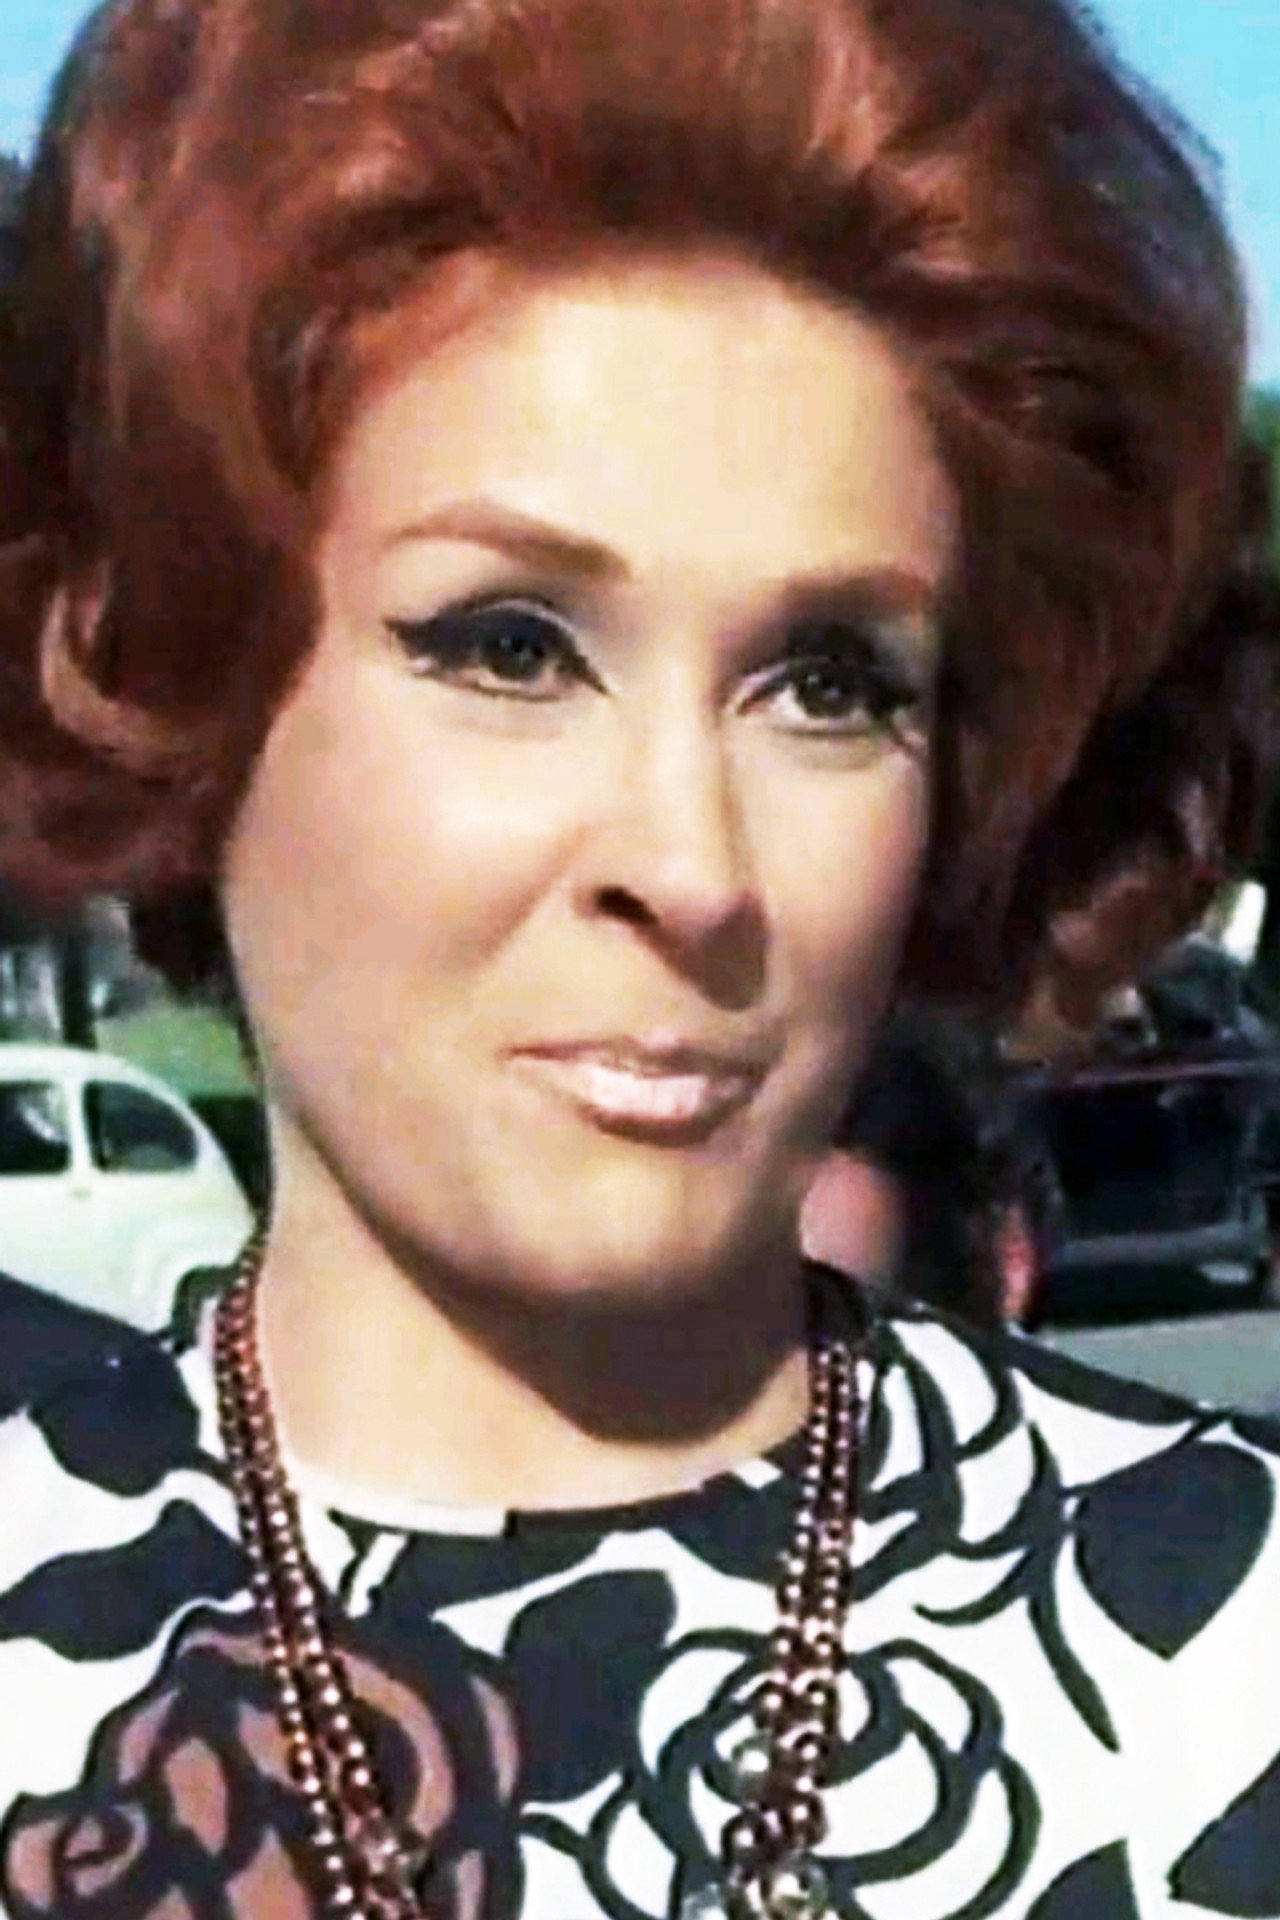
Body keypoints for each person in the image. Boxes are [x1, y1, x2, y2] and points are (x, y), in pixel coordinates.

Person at [0, 1, 1277, 1917]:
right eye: (511, 645)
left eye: (830, 682)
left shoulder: (1236, 1654)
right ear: (169, 672)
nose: (693, 868)